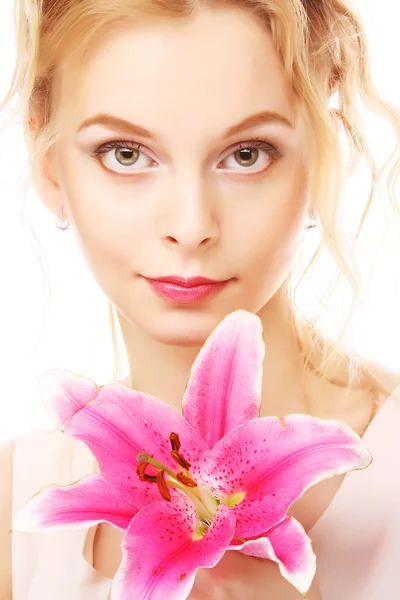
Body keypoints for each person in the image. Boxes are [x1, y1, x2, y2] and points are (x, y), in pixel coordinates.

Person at [1, 0, 400, 598]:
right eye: (125, 153)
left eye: (247, 154)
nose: (190, 227)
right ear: (48, 161)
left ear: (321, 157)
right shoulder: (15, 503)